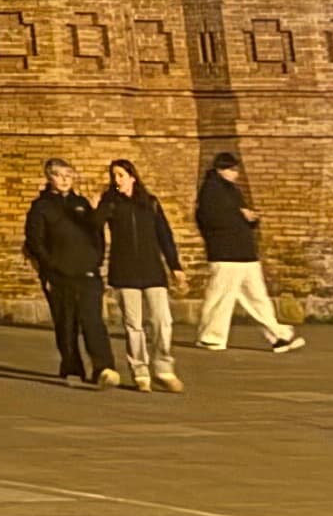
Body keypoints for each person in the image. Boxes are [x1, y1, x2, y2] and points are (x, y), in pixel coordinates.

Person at [192, 150, 305, 354]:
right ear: (220, 169)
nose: (235, 173)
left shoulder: (232, 191)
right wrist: (240, 215)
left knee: (257, 297)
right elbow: (210, 220)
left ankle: (277, 335)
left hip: (244, 252)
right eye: (231, 169)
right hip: (225, 253)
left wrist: (250, 218)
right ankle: (211, 336)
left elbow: (237, 215)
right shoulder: (211, 191)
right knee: (221, 297)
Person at [21, 157, 117, 384]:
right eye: (58, 175)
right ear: (49, 177)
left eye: (68, 175)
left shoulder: (81, 204)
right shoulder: (41, 207)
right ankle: (72, 366)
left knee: (93, 320)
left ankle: (103, 368)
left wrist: (95, 262)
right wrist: (50, 268)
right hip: (58, 273)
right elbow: (35, 242)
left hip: (87, 272)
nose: (64, 180)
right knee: (66, 322)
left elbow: (97, 234)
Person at [98, 155, 185, 392]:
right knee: (133, 324)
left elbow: (164, 236)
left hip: (152, 269)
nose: (118, 180)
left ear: (133, 177)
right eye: (114, 176)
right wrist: (106, 201)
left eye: (121, 175)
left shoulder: (151, 203)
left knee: (162, 321)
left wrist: (175, 266)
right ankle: (140, 371)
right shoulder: (112, 203)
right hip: (125, 271)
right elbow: (95, 225)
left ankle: (163, 367)